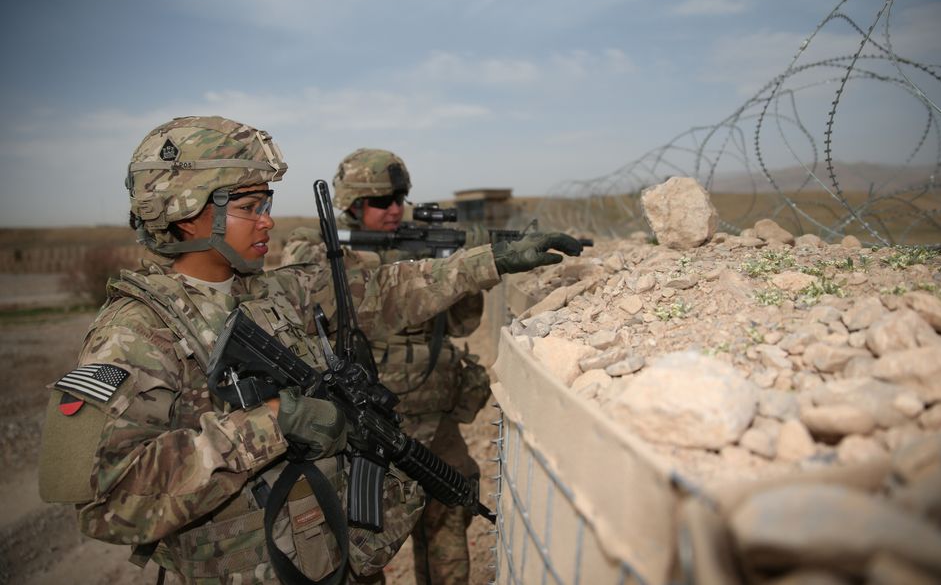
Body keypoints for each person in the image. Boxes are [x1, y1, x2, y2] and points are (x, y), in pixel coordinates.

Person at [38, 117, 581, 584]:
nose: (269, 219)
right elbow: (107, 501)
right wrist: (275, 422)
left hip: (328, 553)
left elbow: (392, 289)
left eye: (265, 203)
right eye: (251, 206)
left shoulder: (274, 289)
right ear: (185, 212)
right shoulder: (134, 332)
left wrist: (494, 259)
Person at [281, 148, 547, 585]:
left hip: (435, 417)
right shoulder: (319, 247)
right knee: (362, 534)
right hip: (364, 422)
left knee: (449, 515)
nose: (394, 209)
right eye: (381, 201)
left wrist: (450, 273)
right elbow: (334, 296)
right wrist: (406, 268)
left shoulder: (422, 243)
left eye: (399, 198)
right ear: (351, 204)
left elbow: (463, 325)